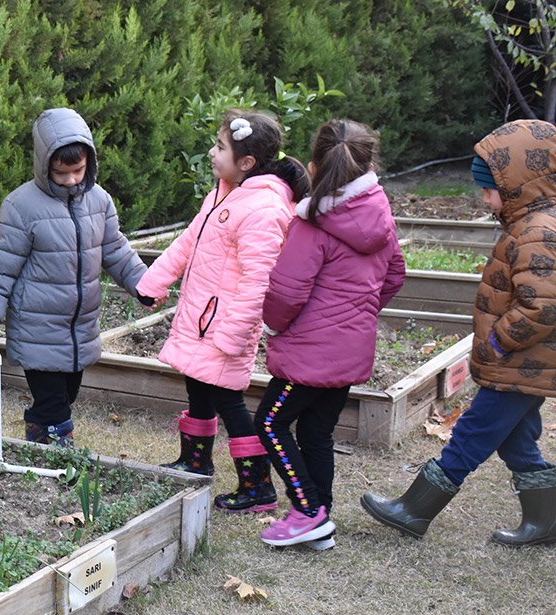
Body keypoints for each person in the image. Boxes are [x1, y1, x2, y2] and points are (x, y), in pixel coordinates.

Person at [362, 119, 556, 547]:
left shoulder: (539, 231)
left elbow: (543, 305)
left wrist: (497, 342)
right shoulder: (529, 224)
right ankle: (546, 521)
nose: (484, 198)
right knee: (517, 440)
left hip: (518, 362)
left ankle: (414, 510)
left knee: (471, 435)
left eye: (490, 189)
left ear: (520, 185)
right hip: (523, 364)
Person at [135, 110, 309, 513]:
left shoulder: (264, 208)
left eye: (220, 147)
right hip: (203, 318)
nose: (212, 153)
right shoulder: (224, 192)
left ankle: (257, 484)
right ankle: (195, 462)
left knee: (228, 400)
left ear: (247, 162)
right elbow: (188, 241)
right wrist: (153, 282)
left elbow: (258, 282)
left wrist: (233, 334)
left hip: (226, 325)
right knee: (198, 387)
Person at [256, 120, 405, 550]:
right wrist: (357, 315)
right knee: (317, 432)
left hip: (309, 352)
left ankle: (307, 509)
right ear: (367, 166)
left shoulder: (313, 223)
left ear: (313, 167)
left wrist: (273, 325)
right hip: (347, 351)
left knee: (269, 422)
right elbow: (395, 275)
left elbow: (287, 290)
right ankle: (320, 516)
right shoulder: (379, 214)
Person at [0, 108, 146, 446]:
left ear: (89, 162)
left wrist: (144, 284)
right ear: (44, 164)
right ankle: (55, 457)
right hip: (38, 324)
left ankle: (37, 443)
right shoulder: (22, 205)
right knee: (54, 405)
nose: (70, 180)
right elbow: (3, 262)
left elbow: (116, 250)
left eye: (78, 171)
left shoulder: (100, 201)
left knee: (66, 397)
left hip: (79, 327)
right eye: (61, 173)